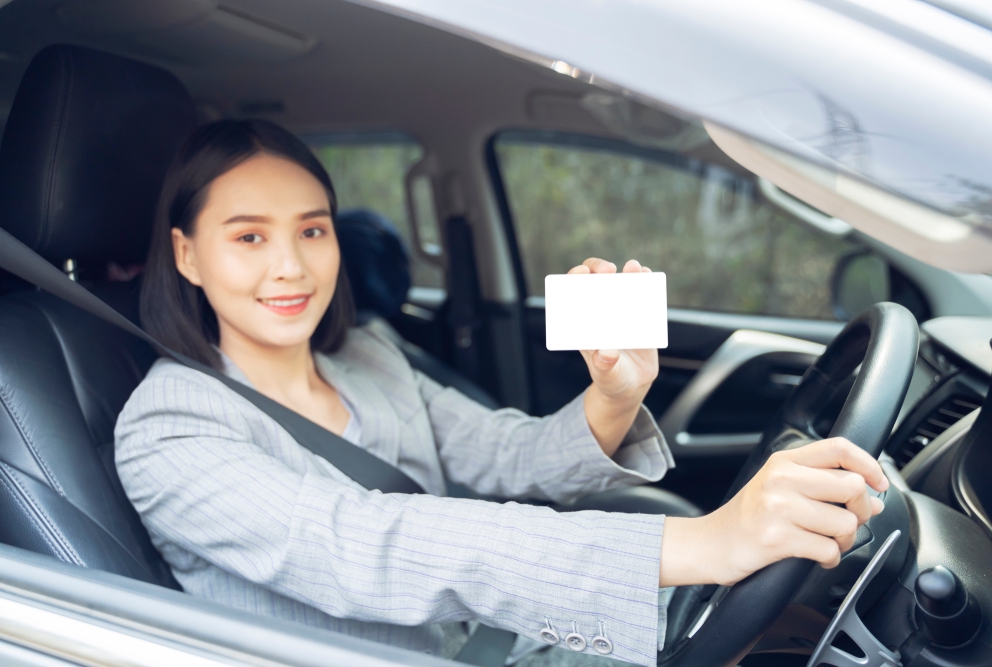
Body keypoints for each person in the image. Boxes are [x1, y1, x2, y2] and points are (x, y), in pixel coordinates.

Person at [115, 119, 888, 667]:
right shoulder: (168, 427)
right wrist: (704, 544)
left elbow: (502, 452)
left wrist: (616, 394)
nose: (290, 265)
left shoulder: (366, 355)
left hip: (495, 637)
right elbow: (368, 545)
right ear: (186, 254)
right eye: (249, 236)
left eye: (312, 230)